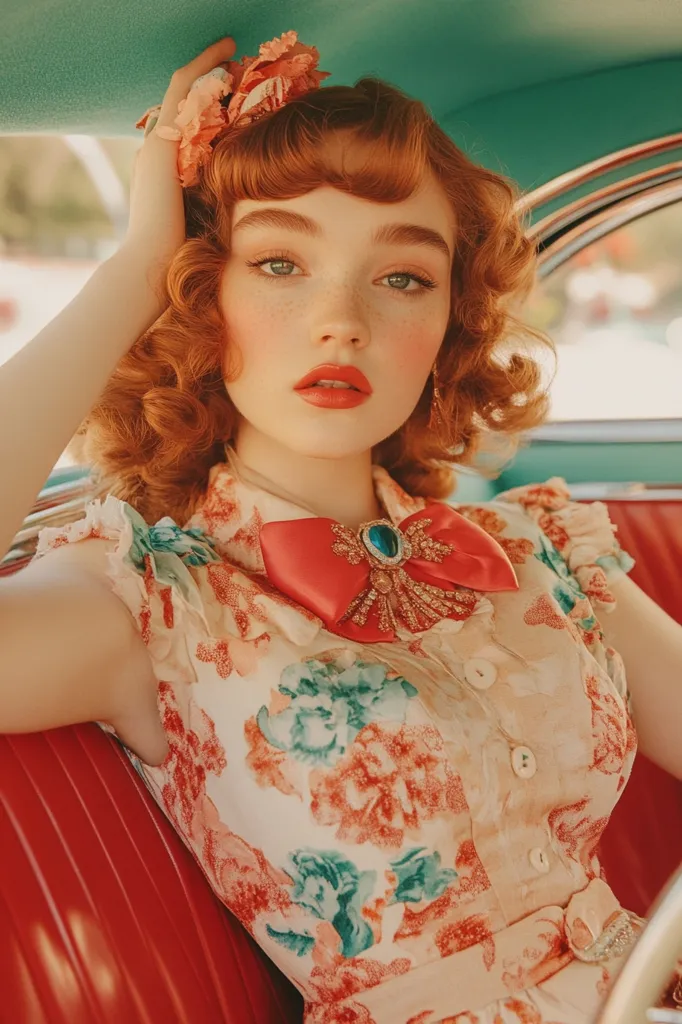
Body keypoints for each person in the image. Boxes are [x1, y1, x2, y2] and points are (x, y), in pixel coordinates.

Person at [1, 30, 681, 1024]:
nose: (342, 318)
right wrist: (133, 268)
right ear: (199, 293)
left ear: (449, 318)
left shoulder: (542, 550)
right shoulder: (150, 605)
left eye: (402, 277)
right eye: (278, 262)